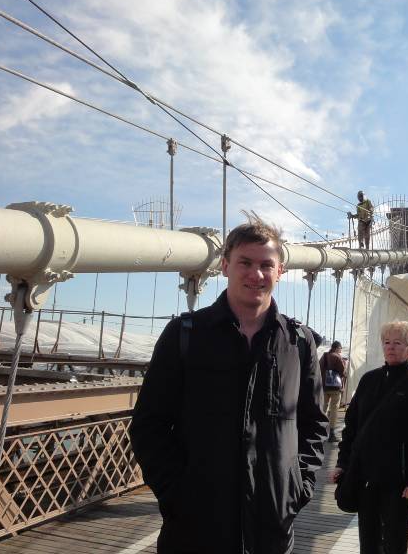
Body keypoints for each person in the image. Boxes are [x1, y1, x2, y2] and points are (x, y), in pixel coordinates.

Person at [130, 213, 329, 554]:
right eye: (245, 263)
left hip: (271, 530)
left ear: (280, 271)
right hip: (194, 530)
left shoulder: (299, 342)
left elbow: (314, 424)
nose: (256, 274)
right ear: (224, 266)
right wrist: (176, 495)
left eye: (267, 265)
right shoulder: (184, 334)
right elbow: (149, 425)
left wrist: (298, 488)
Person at [331, 321, 408, 554]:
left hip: (398, 481)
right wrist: (342, 463)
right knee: (368, 541)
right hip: (366, 476)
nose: (391, 347)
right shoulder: (368, 380)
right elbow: (352, 427)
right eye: (387, 342)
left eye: (398, 343)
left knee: (395, 544)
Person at [320, 340, 347, 442]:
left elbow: (319, 368)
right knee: (334, 409)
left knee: (324, 407)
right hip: (335, 388)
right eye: (340, 349)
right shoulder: (337, 357)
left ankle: (321, 430)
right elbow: (343, 372)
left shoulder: (324, 356)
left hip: (324, 387)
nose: (340, 351)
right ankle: (332, 434)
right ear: (337, 348)